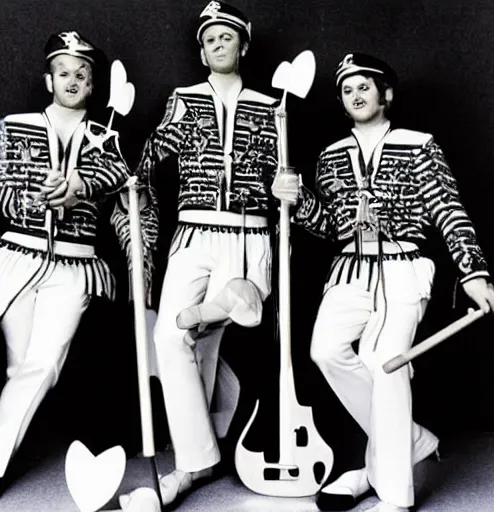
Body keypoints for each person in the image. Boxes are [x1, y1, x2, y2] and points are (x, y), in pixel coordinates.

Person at [271, 52, 494, 512]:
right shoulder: (331, 155)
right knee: (325, 350)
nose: (356, 95)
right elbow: (330, 225)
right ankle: (409, 441)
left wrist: (473, 273)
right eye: (347, 89)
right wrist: (295, 200)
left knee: (384, 363)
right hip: (350, 268)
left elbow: (448, 209)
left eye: (364, 86)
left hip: (404, 266)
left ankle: (393, 493)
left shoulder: (419, 144)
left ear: (386, 94)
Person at [119, 2, 279, 509]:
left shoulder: (270, 103)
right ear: (201, 49)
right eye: (209, 38)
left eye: (226, 37)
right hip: (193, 231)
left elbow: (282, 171)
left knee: (207, 336)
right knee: (173, 334)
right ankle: (199, 459)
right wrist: (136, 176)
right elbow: (153, 152)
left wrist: (285, 185)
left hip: (247, 231)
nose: (217, 44)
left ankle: (194, 461)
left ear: (243, 45)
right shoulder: (183, 98)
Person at [0, 31, 132, 493]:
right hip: (16, 256)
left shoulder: (106, 136)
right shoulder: (13, 125)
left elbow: (119, 175)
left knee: (42, 366)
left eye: (82, 74)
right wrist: (32, 202)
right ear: (47, 79)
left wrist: (76, 187)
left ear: (93, 86)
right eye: (64, 72)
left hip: (73, 267)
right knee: (19, 367)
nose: (73, 80)